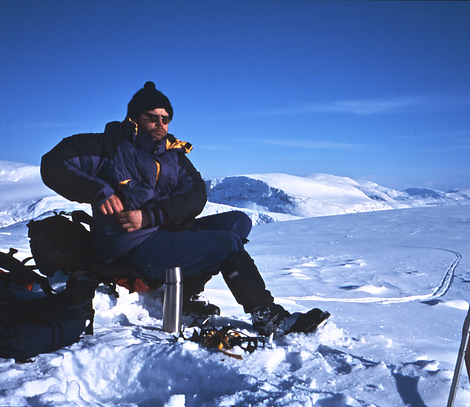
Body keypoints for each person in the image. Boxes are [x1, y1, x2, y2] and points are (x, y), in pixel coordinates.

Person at [41, 81, 328, 336]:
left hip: (158, 231)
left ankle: (185, 294)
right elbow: (52, 163)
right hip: (127, 244)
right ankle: (268, 318)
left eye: (165, 118)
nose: (161, 124)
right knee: (226, 244)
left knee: (239, 222)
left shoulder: (172, 154)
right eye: (152, 118)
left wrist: (153, 215)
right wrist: (98, 191)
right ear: (134, 119)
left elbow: (196, 194)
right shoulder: (109, 146)